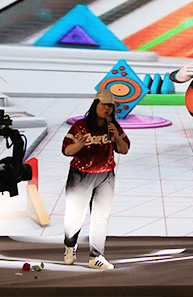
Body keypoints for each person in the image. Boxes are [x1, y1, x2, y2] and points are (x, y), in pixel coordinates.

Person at [62, 89, 130, 270]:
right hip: (80, 175)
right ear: (95, 105)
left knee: (101, 217)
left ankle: (96, 256)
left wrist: (116, 136)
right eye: (104, 105)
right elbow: (66, 150)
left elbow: (124, 150)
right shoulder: (80, 126)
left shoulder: (113, 126)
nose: (107, 109)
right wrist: (79, 144)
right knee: (75, 216)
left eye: (110, 106)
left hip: (106, 175)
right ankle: (70, 246)